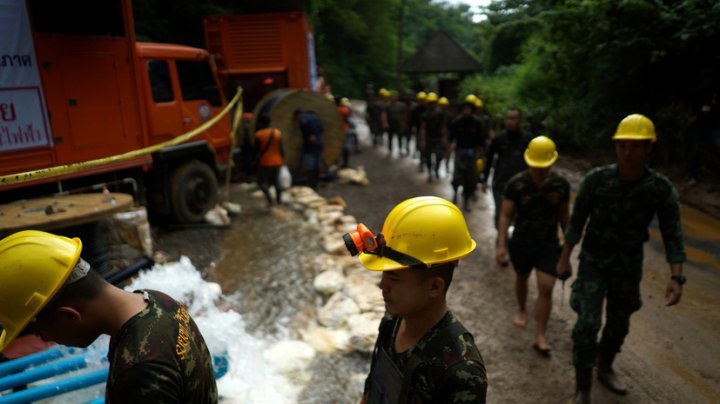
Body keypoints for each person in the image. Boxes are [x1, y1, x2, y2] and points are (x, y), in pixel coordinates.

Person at [556, 114, 686, 404]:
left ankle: (605, 367)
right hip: (593, 262)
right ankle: (583, 388)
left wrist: (676, 277)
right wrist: (564, 258)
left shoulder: (660, 189)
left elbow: (673, 234)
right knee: (586, 325)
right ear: (616, 147)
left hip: (627, 266)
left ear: (648, 148)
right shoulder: (596, 180)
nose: (628, 152)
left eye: (635, 146)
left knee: (619, 324)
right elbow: (576, 223)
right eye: (622, 146)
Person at [0, 230, 218, 402]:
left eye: (43, 334)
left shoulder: (139, 371)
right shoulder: (157, 301)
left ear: (68, 315)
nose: (49, 342)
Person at [346, 196, 487, 404]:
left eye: (393, 278)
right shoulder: (393, 320)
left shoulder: (461, 371)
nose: (382, 285)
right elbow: (372, 388)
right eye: (384, 275)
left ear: (434, 287)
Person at [496, 136, 570, 355]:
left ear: (551, 163)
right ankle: (521, 309)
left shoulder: (560, 185)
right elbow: (505, 216)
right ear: (529, 162)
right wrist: (501, 245)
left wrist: (568, 249)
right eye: (536, 166)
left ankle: (540, 335)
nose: (540, 170)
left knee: (546, 288)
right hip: (521, 242)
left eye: (544, 166)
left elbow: (565, 218)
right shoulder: (517, 183)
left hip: (548, 245)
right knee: (522, 277)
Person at [482, 108, 533, 233]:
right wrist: (484, 179)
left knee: (521, 215)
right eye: (508, 118)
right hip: (500, 183)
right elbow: (488, 159)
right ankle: (501, 240)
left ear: (520, 120)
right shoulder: (499, 139)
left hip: (522, 185)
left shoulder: (527, 139)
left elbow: (534, 163)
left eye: (513, 118)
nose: (510, 121)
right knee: (500, 214)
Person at [448, 99, 486, 211]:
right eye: (465, 109)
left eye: (469, 109)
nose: (467, 111)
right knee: (457, 175)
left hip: (472, 153)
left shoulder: (477, 123)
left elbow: (481, 140)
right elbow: (451, 138)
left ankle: (466, 201)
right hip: (460, 151)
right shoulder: (457, 122)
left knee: (471, 178)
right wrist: (449, 150)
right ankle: (455, 194)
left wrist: (481, 153)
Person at [254, 114, 285, 206]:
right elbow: (281, 148)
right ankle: (279, 200)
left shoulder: (259, 134)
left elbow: (256, 150)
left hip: (265, 162)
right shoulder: (277, 133)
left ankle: (270, 200)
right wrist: (283, 160)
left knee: (261, 182)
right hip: (278, 161)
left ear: (261, 123)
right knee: (276, 181)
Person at [420, 92, 448, 182]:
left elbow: (443, 126)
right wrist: (423, 140)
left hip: (438, 138)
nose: (431, 104)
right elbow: (423, 128)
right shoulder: (425, 115)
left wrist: (444, 138)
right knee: (428, 157)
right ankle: (429, 173)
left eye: (433, 102)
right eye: (430, 102)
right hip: (429, 138)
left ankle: (436, 169)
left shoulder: (440, 114)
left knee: (439, 156)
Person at [294, 109, 325, 189]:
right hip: (319, 143)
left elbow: (304, 124)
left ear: (298, 115)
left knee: (310, 165)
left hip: (310, 145)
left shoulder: (303, 118)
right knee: (316, 164)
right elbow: (322, 128)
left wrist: (309, 135)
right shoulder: (315, 117)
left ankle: (311, 185)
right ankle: (316, 183)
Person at [385, 91, 408, 158]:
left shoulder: (401, 105)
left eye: (394, 97)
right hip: (390, 125)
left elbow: (405, 114)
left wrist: (404, 123)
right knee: (390, 138)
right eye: (392, 97)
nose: (393, 98)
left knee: (400, 138)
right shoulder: (387, 105)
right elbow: (384, 114)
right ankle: (390, 151)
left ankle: (400, 150)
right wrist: (385, 123)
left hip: (399, 125)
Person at [410, 91, 428, 167]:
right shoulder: (415, 109)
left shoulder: (428, 109)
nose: (422, 101)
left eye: (423, 100)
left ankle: (425, 158)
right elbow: (412, 120)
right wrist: (413, 128)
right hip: (418, 130)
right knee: (420, 144)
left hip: (428, 131)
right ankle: (421, 159)